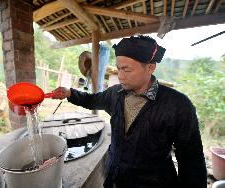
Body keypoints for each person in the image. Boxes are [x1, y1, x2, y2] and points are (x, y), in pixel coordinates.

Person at [52, 35, 207, 188]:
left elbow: (192, 163)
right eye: (119, 68)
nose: (120, 76)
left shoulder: (178, 106)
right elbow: (92, 100)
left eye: (126, 69)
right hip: (114, 178)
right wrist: (70, 93)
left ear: (150, 67)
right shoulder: (115, 93)